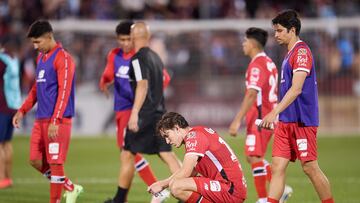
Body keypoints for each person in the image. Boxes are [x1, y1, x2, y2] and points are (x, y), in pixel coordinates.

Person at [259, 10, 335, 203]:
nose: (275, 35)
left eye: (279, 30)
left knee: (310, 167)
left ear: (292, 30)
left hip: (302, 121)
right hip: (286, 121)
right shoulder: (289, 54)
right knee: (277, 166)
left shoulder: (301, 52)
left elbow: (296, 89)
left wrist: (274, 111)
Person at [105, 22, 180, 203]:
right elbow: (161, 82)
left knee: (127, 153)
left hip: (145, 114)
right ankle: (188, 193)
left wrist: (135, 112)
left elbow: (142, 85)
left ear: (133, 38)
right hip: (160, 112)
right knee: (166, 154)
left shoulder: (138, 58)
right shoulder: (156, 57)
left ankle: (119, 199)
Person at [12, 20, 83, 203]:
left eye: (38, 42)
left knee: (55, 163)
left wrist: (56, 119)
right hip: (40, 119)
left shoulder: (64, 59)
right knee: (35, 160)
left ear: (49, 36)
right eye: (33, 43)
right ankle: (70, 187)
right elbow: (36, 89)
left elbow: (64, 91)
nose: (35, 47)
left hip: (57, 121)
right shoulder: (41, 58)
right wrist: (22, 110)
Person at [228, 27, 281, 203]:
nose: (243, 45)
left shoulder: (257, 65)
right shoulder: (269, 62)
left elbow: (252, 94)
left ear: (251, 43)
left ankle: (264, 198)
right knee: (251, 156)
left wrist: (237, 120)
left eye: (244, 41)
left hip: (261, 118)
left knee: (255, 156)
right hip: (266, 115)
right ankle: (278, 186)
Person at [148, 112, 247, 203]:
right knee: (181, 186)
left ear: (177, 128)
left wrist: (162, 185)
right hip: (230, 187)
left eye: (167, 135)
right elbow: (192, 171)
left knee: (177, 187)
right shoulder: (198, 132)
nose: (167, 141)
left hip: (230, 189)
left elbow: (185, 172)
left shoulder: (194, 137)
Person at [0, 36, 21, 189]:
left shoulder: (2, 60)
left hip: (2, 106)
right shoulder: (15, 60)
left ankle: (1, 179)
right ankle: (8, 178)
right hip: (14, 105)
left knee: (0, 144)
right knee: (7, 143)